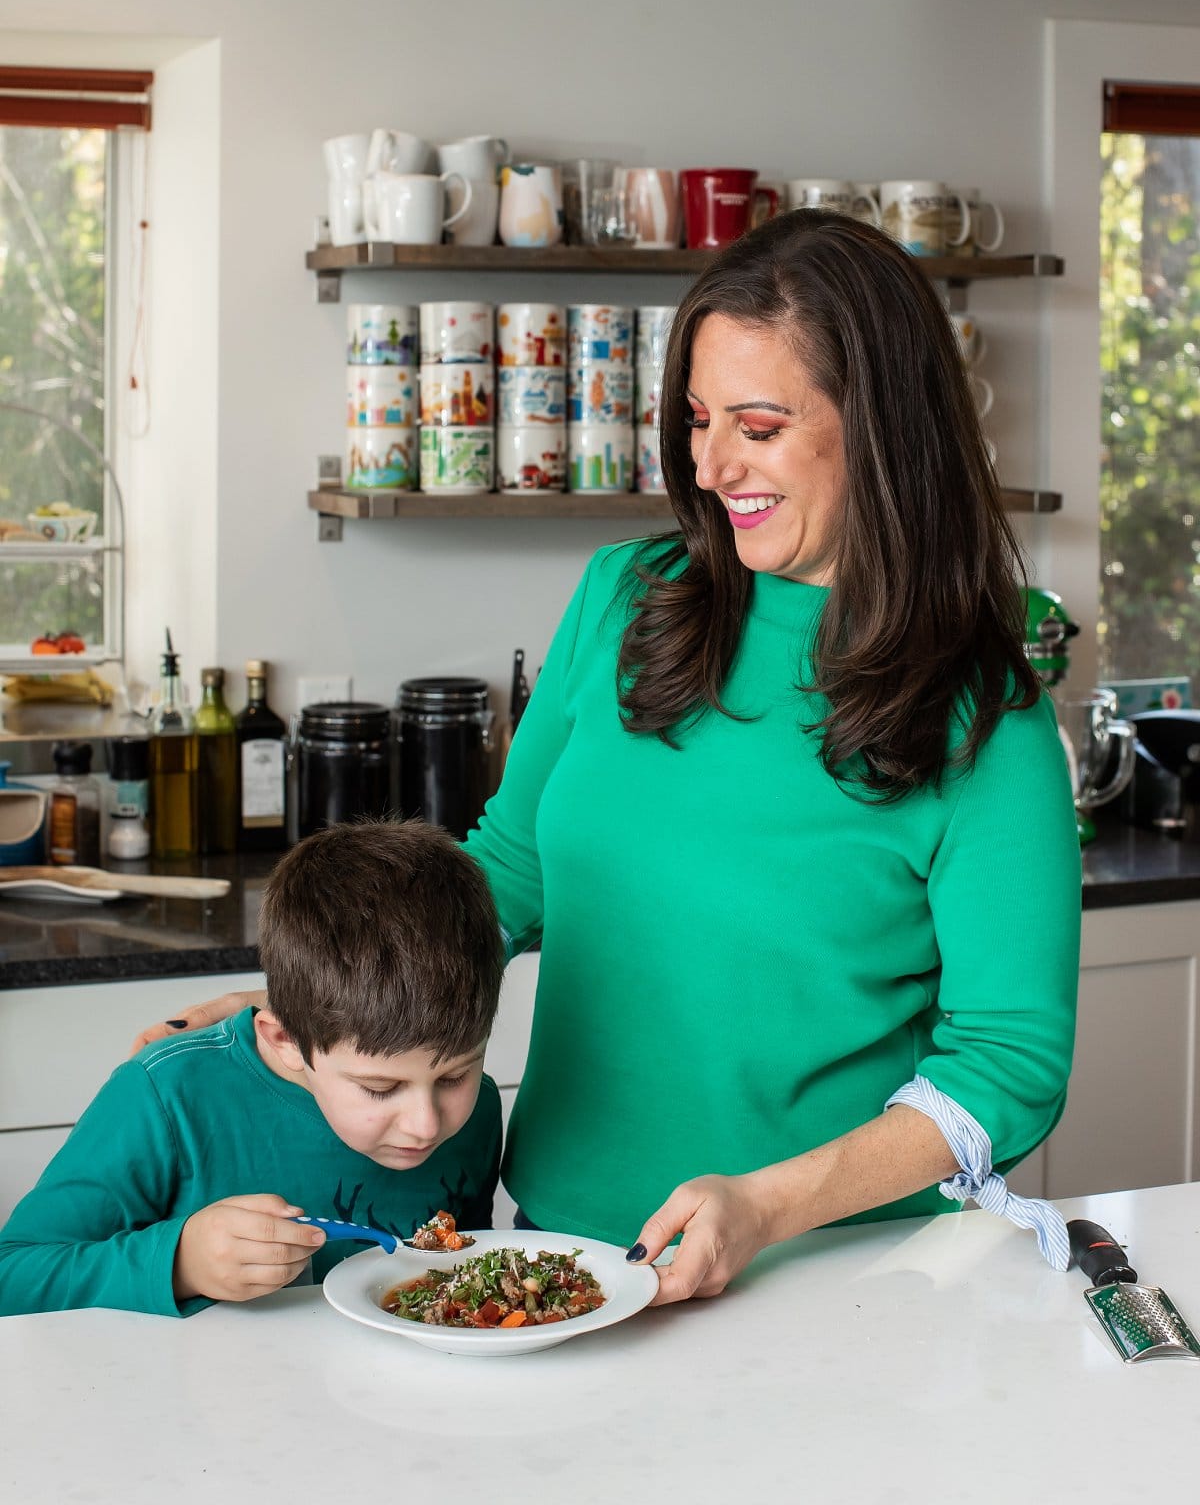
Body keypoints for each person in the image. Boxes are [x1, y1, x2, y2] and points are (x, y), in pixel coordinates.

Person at [132, 209, 1081, 1308]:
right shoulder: (630, 597)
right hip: (561, 1241)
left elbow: (1008, 1062)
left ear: (881, 427)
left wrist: (767, 1202)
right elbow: (513, 870)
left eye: (760, 426)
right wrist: (318, 1003)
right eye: (696, 419)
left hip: (835, 1272)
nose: (714, 464)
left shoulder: (983, 716)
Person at [0, 818, 504, 1317]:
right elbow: (13, 1276)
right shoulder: (167, 1096)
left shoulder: (475, 1110)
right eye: (379, 1087)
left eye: (454, 1076)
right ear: (285, 1039)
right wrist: (180, 1264)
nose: (427, 1124)